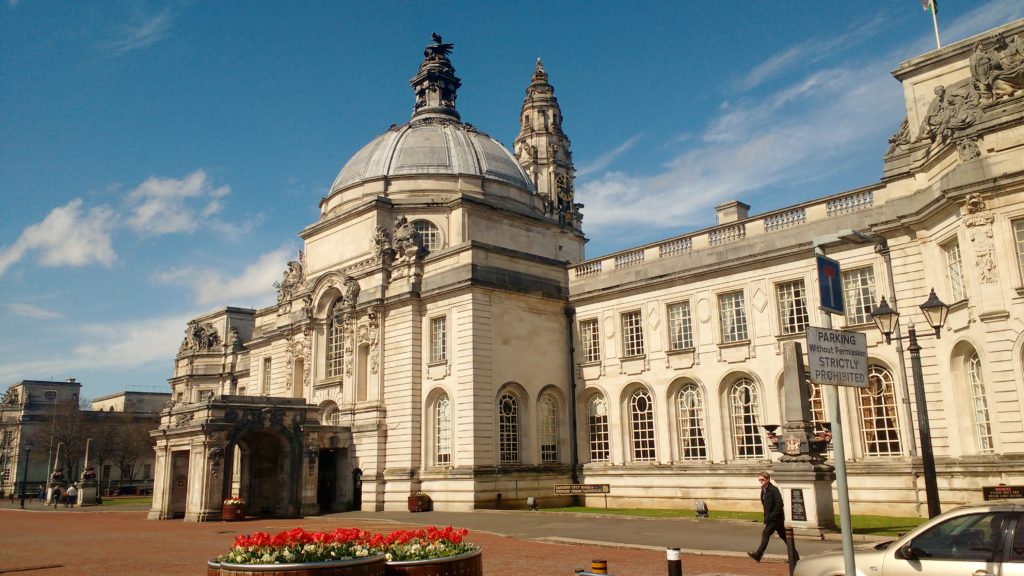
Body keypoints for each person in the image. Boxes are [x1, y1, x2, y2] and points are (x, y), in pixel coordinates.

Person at [748, 471, 797, 563]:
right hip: (771, 518)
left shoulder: (774, 490)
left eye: (762, 480)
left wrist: (772, 516)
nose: (761, 482)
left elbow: (779, 504)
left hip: (776, 518)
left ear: (768, 479)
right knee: (784, 537)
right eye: (759, 480)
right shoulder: (763, 489)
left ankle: (758, 554)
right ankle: (795, 556)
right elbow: (765, 503)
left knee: (766, 533)